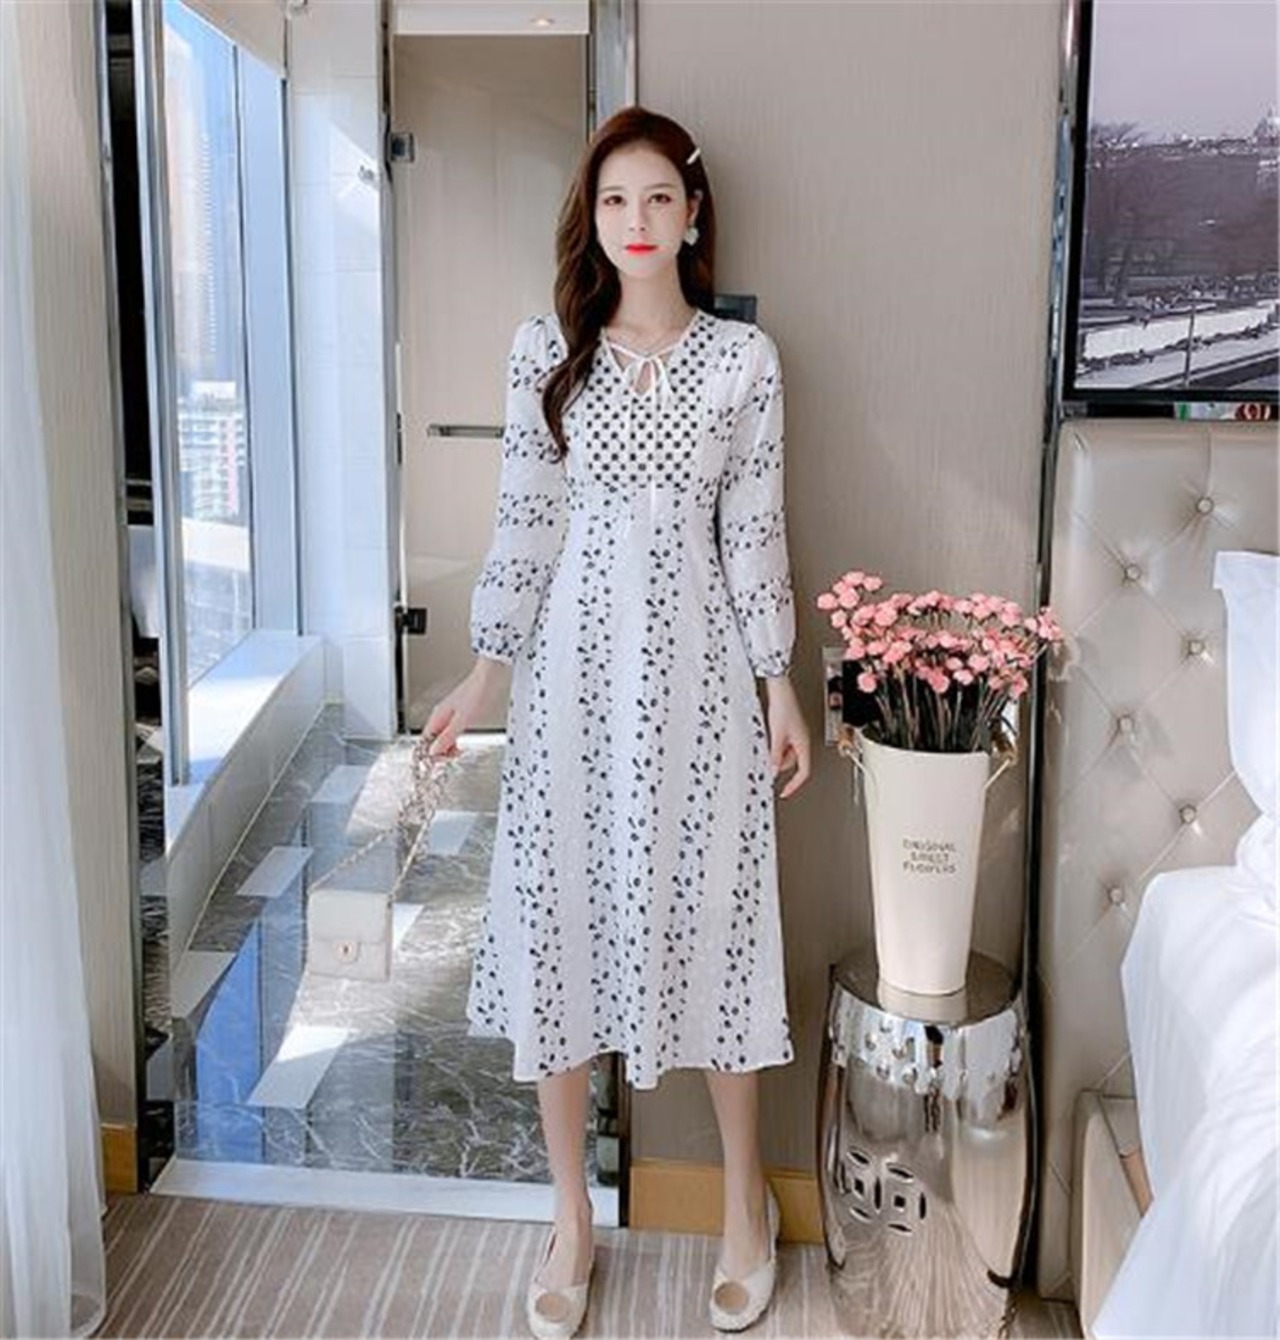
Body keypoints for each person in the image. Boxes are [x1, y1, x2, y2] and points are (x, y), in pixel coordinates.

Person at [424, 105, 812, 1337]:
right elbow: (524, 523)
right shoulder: (545, 350)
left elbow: (753, 534)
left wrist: (780, 684)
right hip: (569, 690)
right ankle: (570, 1219)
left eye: (655, 198)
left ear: (692, 215)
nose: (634, 221)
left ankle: (743, 1204)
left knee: (716, 924)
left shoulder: (742, 361)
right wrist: (482, 676)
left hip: (702, 683)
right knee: (560, 927)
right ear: (589, 219)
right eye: (611, 200)